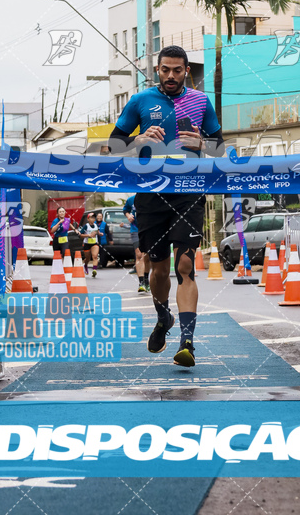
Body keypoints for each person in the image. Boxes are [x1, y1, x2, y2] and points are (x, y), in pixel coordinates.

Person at [109, 45, 224, 368]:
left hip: (189, 193)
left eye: (177, 70)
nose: (171, 76)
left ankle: (188, 342)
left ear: (187, 71)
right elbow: (113, 145)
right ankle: (163, 318)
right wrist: (140, 140)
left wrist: (203, 144)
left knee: (185, 267)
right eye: (165, 70)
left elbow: (219, 149)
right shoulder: (140, 101)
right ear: (157, 70)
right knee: (158, 269)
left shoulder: (201, 102)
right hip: (150, 195)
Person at [123, 194, 150, 294]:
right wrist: (128, 215)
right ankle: (141, 282)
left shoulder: (150, 197)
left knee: (146, 256)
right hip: (135, 229)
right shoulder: (131, 199)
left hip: (148, 229)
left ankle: (146, 279)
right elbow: (125, 210)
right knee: (139, 254)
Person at [81, 212, 100, 277]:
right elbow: (80, 235)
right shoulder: (86, 226)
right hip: (87, 244)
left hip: (94, 243)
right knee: (88, 258)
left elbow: (97, 232)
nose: (93, 219)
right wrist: (88, 235)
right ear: (88, 219)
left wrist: (100, 234)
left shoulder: (96, 225)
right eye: (91, 217)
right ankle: (85, 265)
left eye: (94, 217)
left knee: (95, 256)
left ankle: (94, 270)